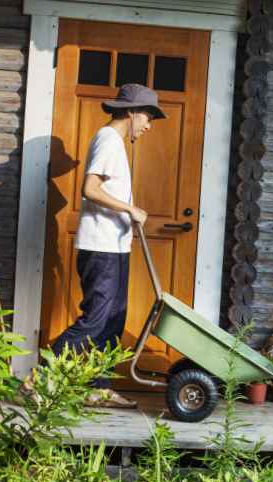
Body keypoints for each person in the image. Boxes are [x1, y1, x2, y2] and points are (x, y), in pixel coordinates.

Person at [49, 83, 166, 408]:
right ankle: (39, 379)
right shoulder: (108, 140)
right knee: (96, 320)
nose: (148, 124)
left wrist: (127, 214)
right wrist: (130, 208)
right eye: (148, 115)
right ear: (130, 112)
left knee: (114, 319)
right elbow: (89, 188)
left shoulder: (114, 143)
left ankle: (97, 387)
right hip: (100, 248)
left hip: (114, 247)